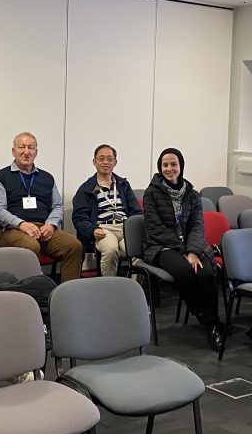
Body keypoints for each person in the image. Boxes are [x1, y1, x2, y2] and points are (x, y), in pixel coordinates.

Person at [142, 148, 226, 350]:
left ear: (181, 166)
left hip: (193, 246)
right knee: (184, 271)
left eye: (173, 164)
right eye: (165, 165)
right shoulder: (151, 193)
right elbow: (155, 229)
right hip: (161, 246)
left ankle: (210, 321)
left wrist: (192, 251)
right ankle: (210, 322)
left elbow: (197, 226)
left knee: (206, 273)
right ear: (159, 168)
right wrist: (183, 250)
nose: (169, 169)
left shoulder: (193, 194)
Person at [0, 132, 82, 282]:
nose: (26, 151)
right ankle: (28, 294)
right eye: (21, 147)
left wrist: (51, 224)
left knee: (73, 245)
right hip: (13, 231)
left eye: (30, 147)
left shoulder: (47, 178)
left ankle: (68, 294)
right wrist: (21, 224)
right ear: (13, 151)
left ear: (36, 152)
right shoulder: (1, 177)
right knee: (30, 246)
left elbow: (58, 205)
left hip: (43, 229)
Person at [72, 144, 141, 277]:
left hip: (125, 228)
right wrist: (92, 230)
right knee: (110, 250)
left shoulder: (123, 185)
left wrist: (135, 229)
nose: (105, 162)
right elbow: (79, 217)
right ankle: (109, 288)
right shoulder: (86, 188)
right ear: (94, 162)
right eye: (101, 158)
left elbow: (136, 211)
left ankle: (134, 288)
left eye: (109, 159)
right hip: (103, 229)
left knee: (139, 251)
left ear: (115, 162)